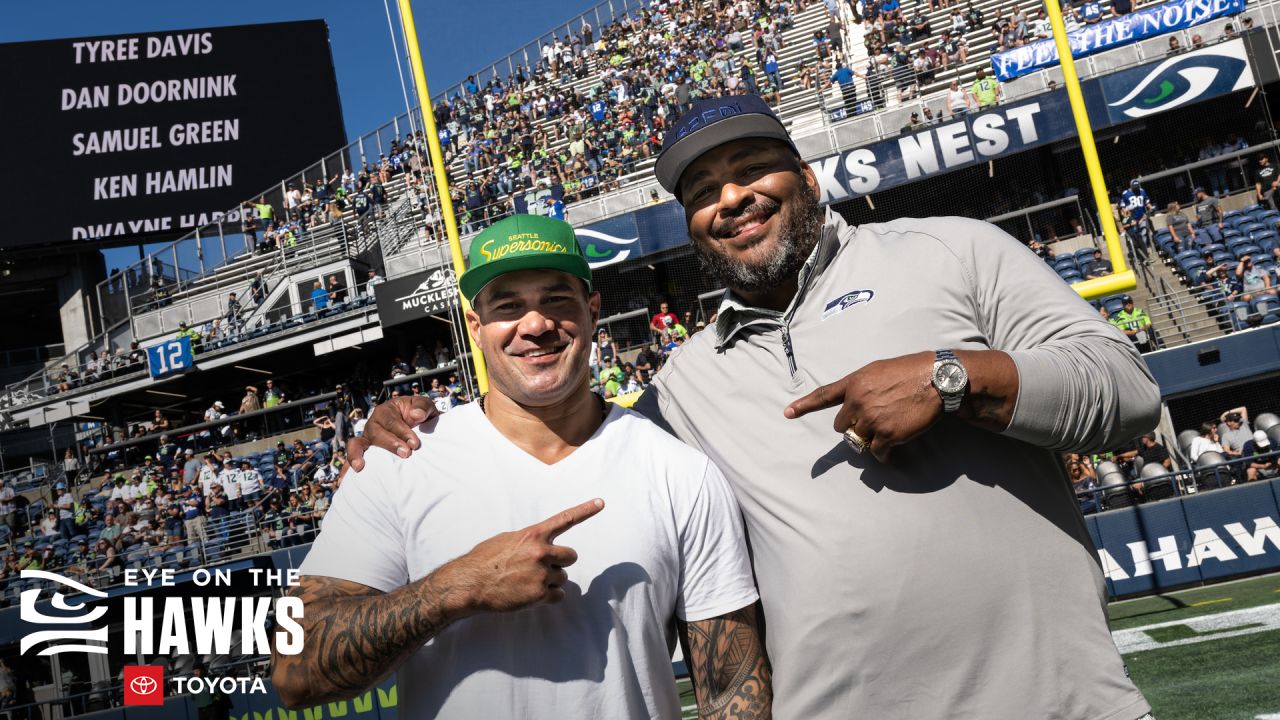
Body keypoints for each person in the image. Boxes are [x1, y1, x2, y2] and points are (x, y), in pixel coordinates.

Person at [353, 95, 1160, 720]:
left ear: (807, 177)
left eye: (749, 169)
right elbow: (561, 442)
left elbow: (1128, 392)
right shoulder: (681, 389)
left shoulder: (952, 249)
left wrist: (953, 375)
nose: (730, 197)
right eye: (702, 190)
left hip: (1056, 702)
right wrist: (407, 432)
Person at [274, 214, 770, 719]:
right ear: (476, 326)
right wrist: (458, 588)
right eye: (509, 305)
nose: (535, 325)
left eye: (556, 299)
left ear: (593, 310)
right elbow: (293, 670)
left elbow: (733, 694)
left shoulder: (679, 471)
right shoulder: (399, 461)